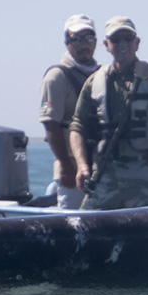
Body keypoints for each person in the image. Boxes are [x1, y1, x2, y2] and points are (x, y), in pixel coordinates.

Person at [69, 16, 148, 210]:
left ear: (136, 43)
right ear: (106, 45)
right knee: (85, 223)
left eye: (127, 39)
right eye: (116, 40)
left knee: (147, 229)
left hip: (146, 174)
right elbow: (77, 126)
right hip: (107, 173)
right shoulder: (94, 81)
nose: (123, 44)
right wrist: (82, 166)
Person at [38, 14, 100, 208]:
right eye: (76, 39)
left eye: (88, 38)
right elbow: (51, 125)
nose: (83, 44)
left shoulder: (103, 74)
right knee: (74, 223)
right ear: (67, 42)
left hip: (101, 169)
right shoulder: (56, 77)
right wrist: (64, 165)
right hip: (72, 172)